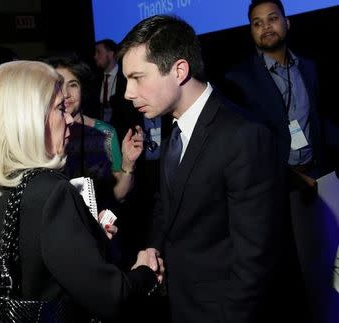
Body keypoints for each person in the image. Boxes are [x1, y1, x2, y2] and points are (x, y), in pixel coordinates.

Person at [0, 60, 162, 322]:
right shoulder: (52, 192)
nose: (69, 118)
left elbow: (38, 258)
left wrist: (89, 236)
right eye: (59, 109)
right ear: (28, 120)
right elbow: (111, 297)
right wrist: (145, 273)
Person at [119, 15, 281, 323]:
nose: (128, 92)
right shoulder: (173, 127)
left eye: (137, 77)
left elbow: (255, 260)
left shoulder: (243, 136)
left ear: (179, 70)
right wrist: (152, 248)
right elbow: (169, 206)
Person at [224, 0, 325, 183]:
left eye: (273, 18)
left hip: (316, 173)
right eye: (257, 23)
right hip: (273, 182)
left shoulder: (308, 68)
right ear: (252, 32)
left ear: (287, 23)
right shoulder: (238, 80)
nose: (266, 27)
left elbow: (320, 121)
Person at [45, 55, 143, 211]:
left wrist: (128, 164)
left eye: (73, 84)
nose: (66, 93)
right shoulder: (41, 134)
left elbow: (118, 194)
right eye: (58, 85)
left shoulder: (104, 132)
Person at [93, 39, 142, 139]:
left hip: (122, 135)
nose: (95, 56)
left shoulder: (126, 78)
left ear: (110, 54)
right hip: (100, 136)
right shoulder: (94, 80)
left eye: (98, 52)